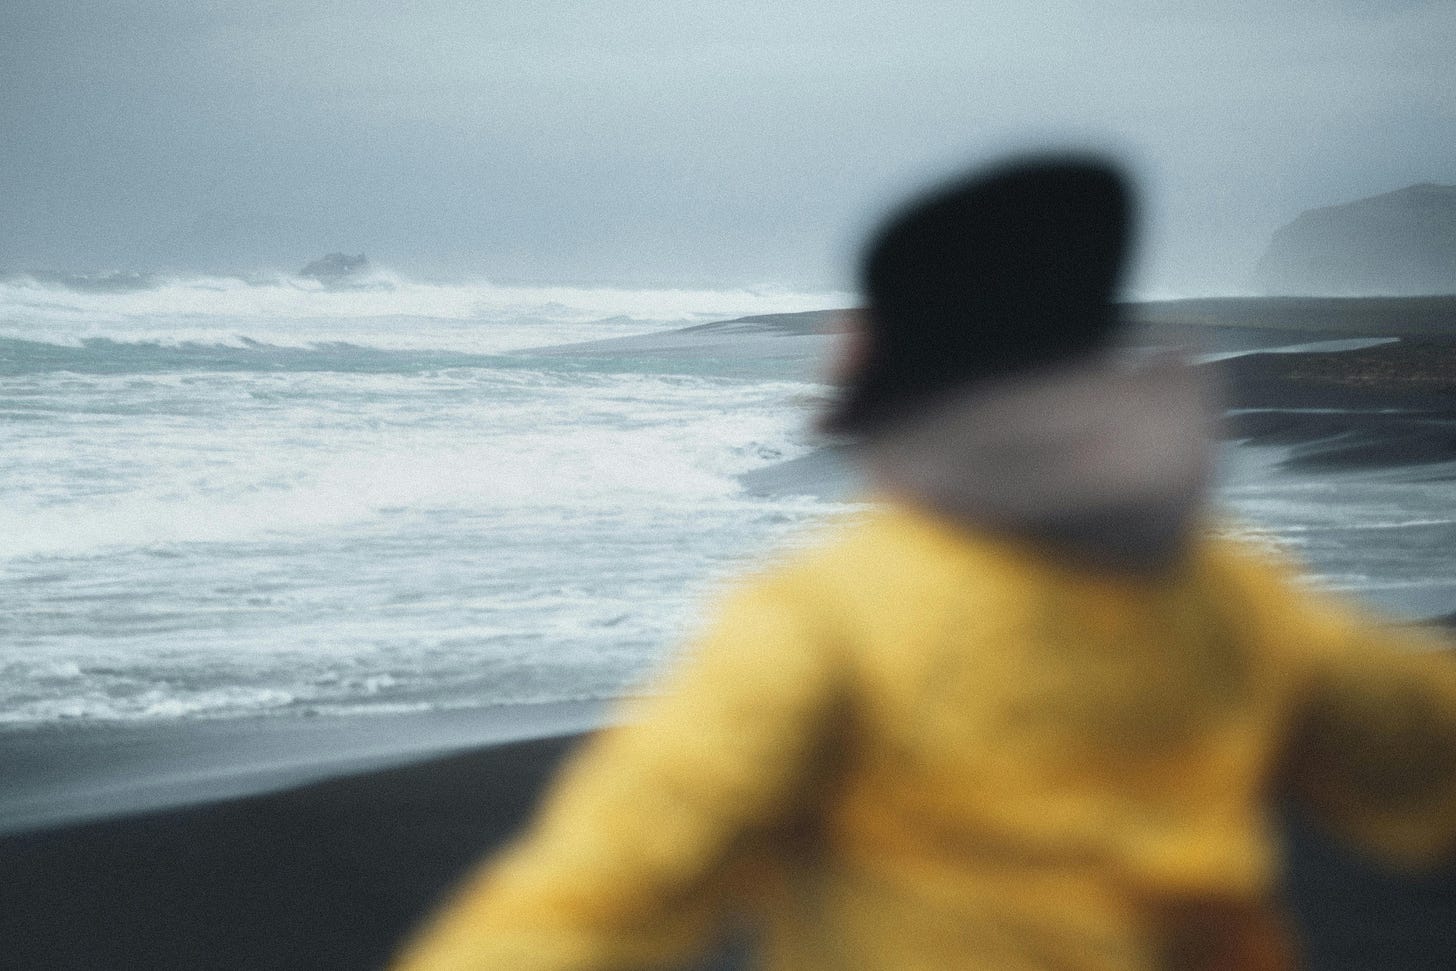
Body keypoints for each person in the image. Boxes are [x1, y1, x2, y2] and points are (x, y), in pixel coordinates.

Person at [391, 157, 1456, 971]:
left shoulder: (829, 616)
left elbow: (606, 887)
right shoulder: (1219, 595)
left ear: (889, 376)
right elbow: (1420, 751)